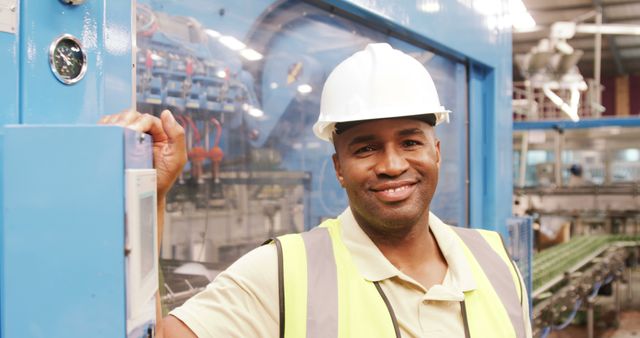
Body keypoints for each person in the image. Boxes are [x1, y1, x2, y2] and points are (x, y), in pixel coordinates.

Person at [112, 43, 532, 337]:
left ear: (436, 152)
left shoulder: (494, 260)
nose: (391, 165)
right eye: (366, 148)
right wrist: (152, 197)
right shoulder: (282, 271)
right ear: (339, 168)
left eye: (410, 142)